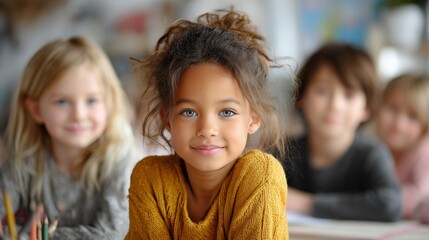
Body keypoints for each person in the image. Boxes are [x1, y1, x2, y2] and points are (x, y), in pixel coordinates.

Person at [126, 9, 289, 239]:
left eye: (227, 111)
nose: (207, 130)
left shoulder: (260, 176)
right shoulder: (151, 179)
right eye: (189, 112)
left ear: (253, 119)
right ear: (167, 120)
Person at [0, 36, 137, 239]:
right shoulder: (25, 157)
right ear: (36, 110)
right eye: (62, 101)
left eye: (91, 100)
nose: (78, 115)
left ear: (108, 104)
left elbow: (112, 234)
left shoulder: (121, 159)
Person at [281, 42, 402, 222]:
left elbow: (391, 205)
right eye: (323, 91)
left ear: (367, 108)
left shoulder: (371, 154)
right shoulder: (283, 151)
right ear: (301, 97)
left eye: (349, 95)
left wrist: (305, 203)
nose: (335, 106)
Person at [375, 74, 429, 219]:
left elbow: (421, 197)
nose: (398, 124)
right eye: (392, 108)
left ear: (424, 126)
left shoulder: (424, 152)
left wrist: (375, 199)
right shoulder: (375, 149)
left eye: (412, 116)